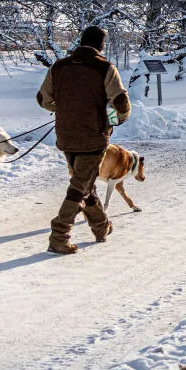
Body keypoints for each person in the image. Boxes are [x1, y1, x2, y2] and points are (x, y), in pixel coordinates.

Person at [36, 26, 132, 255]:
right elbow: (121, 103)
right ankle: (59, 235)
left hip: (66, 137)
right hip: (93, 137)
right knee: (79, 188)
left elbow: (42, 99)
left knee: (84, 183)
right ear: (101, 45)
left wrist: (64, 110)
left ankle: (101, 227)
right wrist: (116, 120)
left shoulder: (59, 67)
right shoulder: (105, 68)